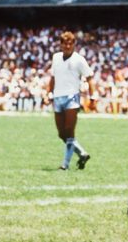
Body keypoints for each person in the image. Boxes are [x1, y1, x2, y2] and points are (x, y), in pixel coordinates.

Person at [46, 31, 95, 171]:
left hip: (72, 98)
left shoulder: (79, 59)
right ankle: (82, 153)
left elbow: (90, 77)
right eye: (65, 43)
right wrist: (48, 92)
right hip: (57, 97)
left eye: (70, 43)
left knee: (69, 130)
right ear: (60, 44)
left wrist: (92, 97)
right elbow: (53, 77)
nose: (67, 46)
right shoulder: (56, 58)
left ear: (74, 44)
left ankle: (65, 165)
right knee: (62, 134)